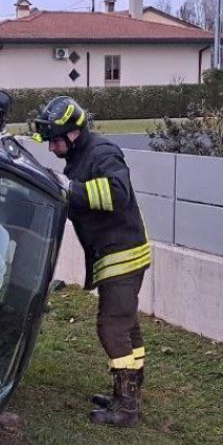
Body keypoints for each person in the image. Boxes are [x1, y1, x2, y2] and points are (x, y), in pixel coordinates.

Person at [33, 96, 150, 428]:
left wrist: (70, 189)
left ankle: (127, 409)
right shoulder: (80, 156)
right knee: (127, 325)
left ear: (74, 133)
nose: (53, 148)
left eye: (56, 140)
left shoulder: (102, 153)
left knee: (111, 327)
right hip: (115, 254)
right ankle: (128, 391)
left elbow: (118, 193)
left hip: (122, 255)